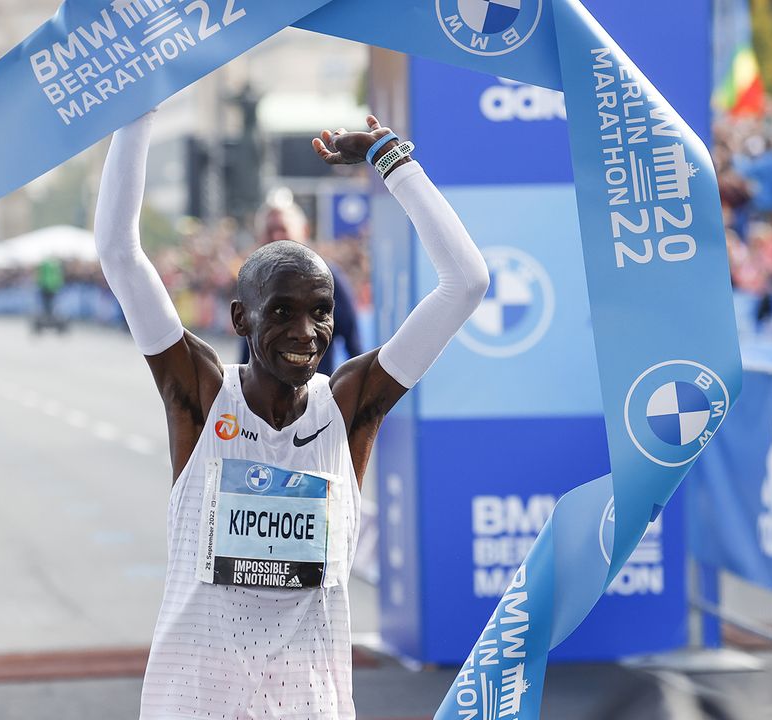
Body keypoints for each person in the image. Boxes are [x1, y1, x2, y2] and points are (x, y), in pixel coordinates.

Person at [94, 110, 489, 718]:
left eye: (321, 311)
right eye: (280, 312)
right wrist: (141, 107)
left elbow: (465, 282)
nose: (306, 332)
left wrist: (390, 157)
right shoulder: (200, 396)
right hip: (195, 705)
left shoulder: (350, 406)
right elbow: (120, 253)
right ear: (240, 319)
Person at [241, 199, 363, 374]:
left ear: (304, 231)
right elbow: (247, 352)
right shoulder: (253, 282)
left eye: (283, 229)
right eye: (270, 231)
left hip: (316, 395)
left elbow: (354, 346)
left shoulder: (328, 279)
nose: (276, 237)